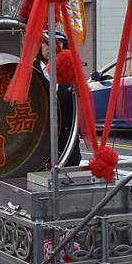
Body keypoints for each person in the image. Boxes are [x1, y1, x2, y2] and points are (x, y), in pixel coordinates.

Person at [35, 31, 81, 167]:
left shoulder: (71, 73)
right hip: (38, 144)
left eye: (56, 43)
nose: (51, 47)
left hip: (67, 143)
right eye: (46, 43)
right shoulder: (31, 71)